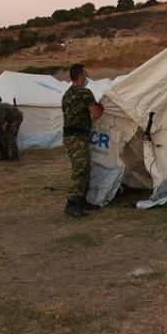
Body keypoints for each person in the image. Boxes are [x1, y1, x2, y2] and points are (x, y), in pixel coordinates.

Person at [61, 63, 104, 218]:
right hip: (77, 137)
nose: (87, 76)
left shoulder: (66, 94)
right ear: (80, 75)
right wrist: (101, 106)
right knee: (80, 170)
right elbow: (96, 114)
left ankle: (81, 200)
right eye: (85, 73)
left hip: (70, 136)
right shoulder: (85, 93)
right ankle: (71, 204)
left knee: (84, 169)